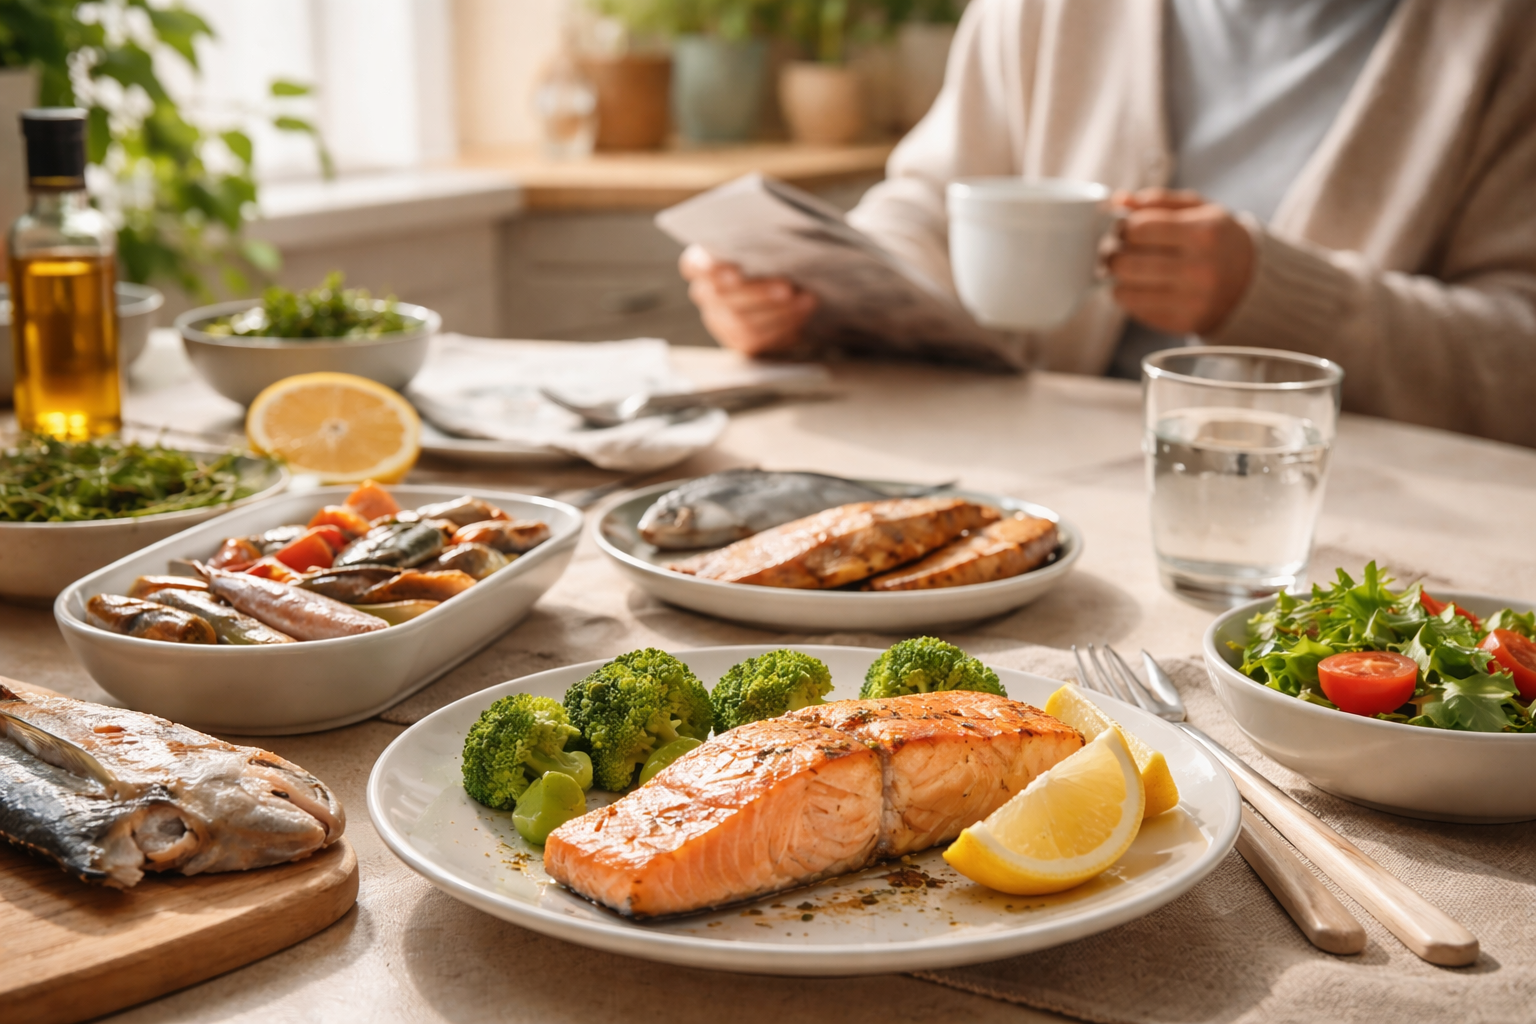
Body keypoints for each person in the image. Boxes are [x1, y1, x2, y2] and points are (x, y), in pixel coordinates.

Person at [680, 0, 1536, 448]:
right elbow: (926, 209)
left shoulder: (1504, 36)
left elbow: (1519, 363)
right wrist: (806, 290)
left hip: (1327, 526)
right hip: (1031, 471)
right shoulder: (1041, 9)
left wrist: (1271, 294)